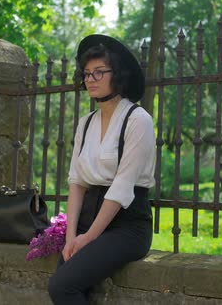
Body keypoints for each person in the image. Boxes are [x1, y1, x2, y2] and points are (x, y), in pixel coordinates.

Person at [48, 34, 155, 304]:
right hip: (87, 222)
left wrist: (88, 238)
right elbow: (76, 182)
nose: (90, 79)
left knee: (62, 286)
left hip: (126, 227)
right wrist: (71, 236)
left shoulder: (137, 120)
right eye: (86, 74)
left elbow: (121, 188)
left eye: (99, 72)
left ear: (116, 75)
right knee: (65, 284)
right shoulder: (85, 123)